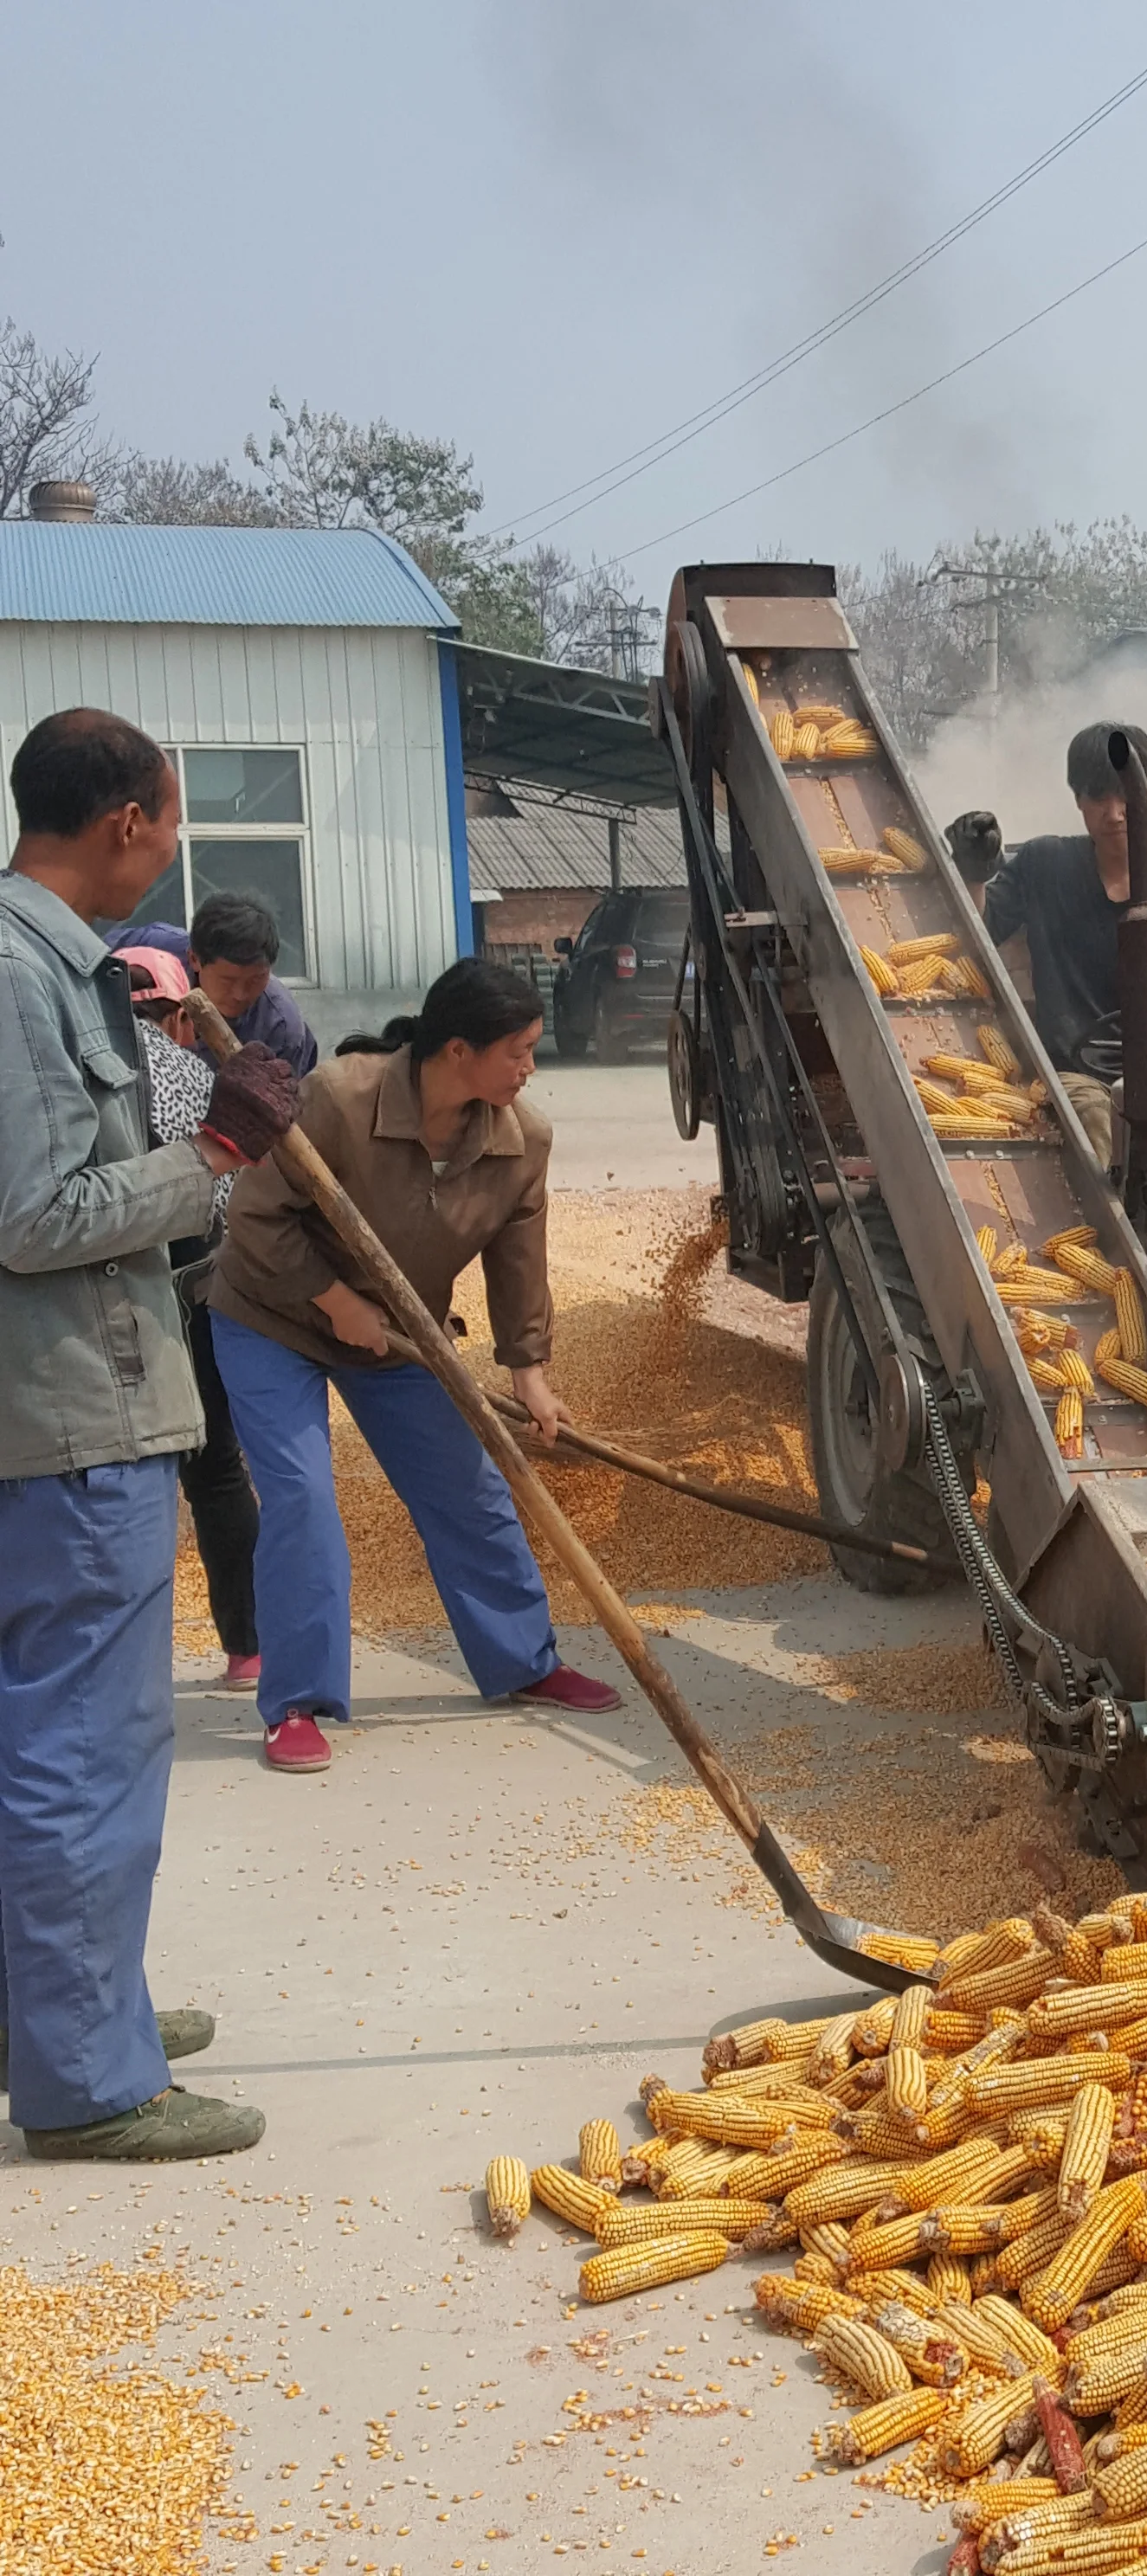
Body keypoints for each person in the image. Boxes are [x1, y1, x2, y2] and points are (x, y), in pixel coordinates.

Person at [0, 705, 300, 2161]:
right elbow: (32, 1215)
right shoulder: (16, 973)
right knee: (82, 1749)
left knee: (41, 1740)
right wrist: (218, 1157)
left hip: (64, 1414)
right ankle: (92, 2080)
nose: (169, 852)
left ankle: (66, 2006)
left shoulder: (68, 972)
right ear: (126, 822)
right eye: (171, 823)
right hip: (71, 1424)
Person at [209, 956, 623, 1773]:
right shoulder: (338, 1097)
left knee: (470, 1491)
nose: (530, 1069)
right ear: (458, 1051)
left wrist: (528, 1371)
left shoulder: (520, 1140)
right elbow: (256, 1223)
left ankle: (524, 1663)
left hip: (400, 1335)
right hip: (272, 1318)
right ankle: (296, 1701)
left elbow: (518, 1255)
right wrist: (336, 1301)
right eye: (518, 1051)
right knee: (302, 1498)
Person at [957, 720, 1147, 1163]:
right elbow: (981, 928)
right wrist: (975, 872)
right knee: (1097, 1120)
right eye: (1098, 798)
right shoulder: (1044, 865)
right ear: (1077, 800)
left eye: (1124, 795)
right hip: (1072, 1073)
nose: (1114, 813)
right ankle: (1119, 1229)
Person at [115, 945, 263, 1691]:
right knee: (214, 1470)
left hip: (91, 1305)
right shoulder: (189, 1071)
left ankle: (126, 1664)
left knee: (118, 1482)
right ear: (179, 1016)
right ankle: (247, 1648)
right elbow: (227, 1201)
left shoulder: (70, 1071)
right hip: (193, 1295)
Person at [113, 887, 319, 1077]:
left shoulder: (282, 1028)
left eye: (256, 979)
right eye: (227, 980)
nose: (240, 994)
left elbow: (282, 1110)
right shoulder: (156, 949)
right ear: (194, 959)